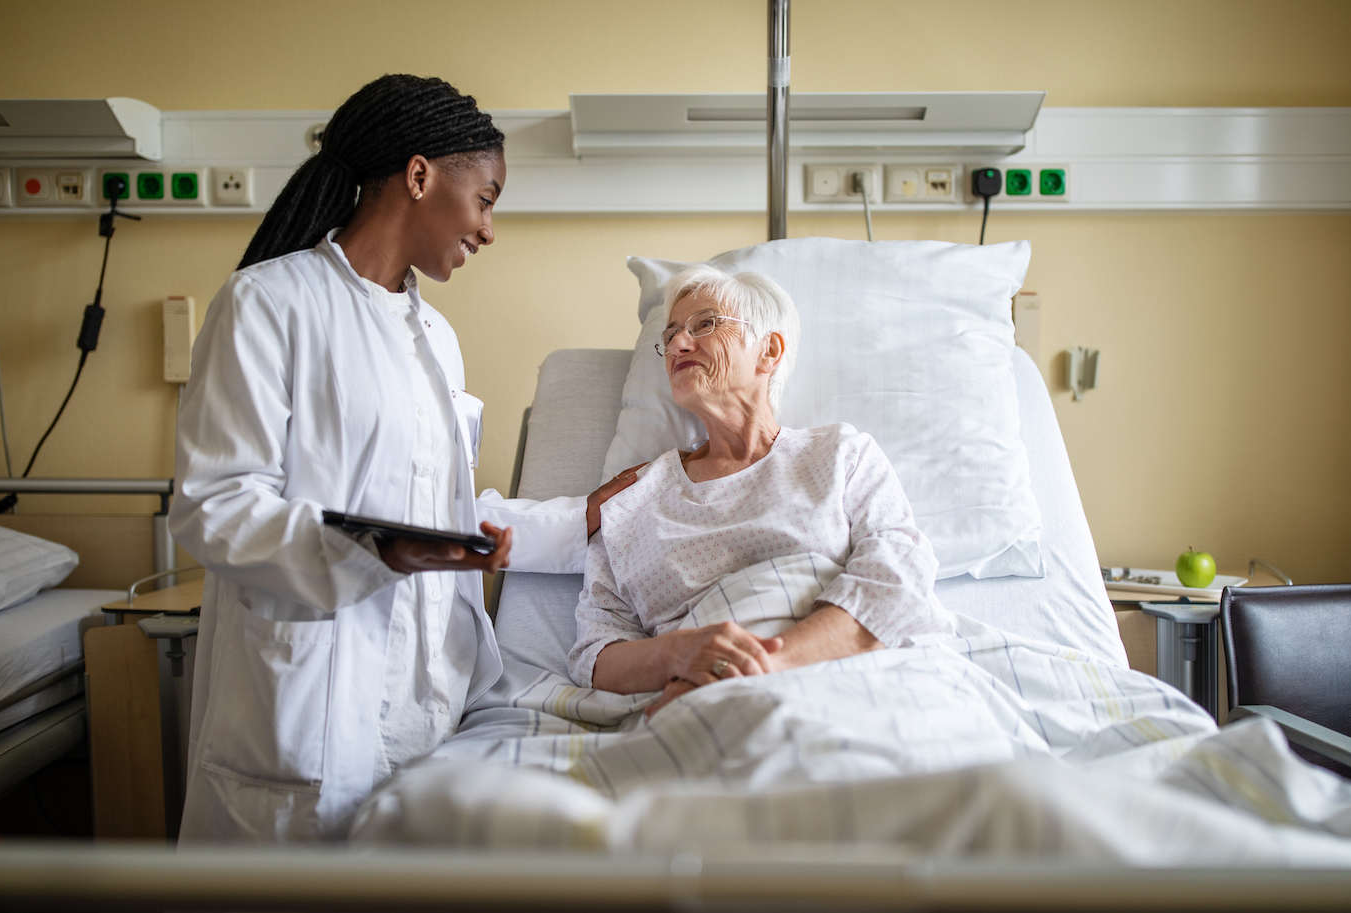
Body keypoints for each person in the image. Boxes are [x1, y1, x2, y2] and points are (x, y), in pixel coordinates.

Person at [172, 75, 633, 842]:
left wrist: (576, 518)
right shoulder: (267, 304)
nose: (489, 229)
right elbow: (215, 502)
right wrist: (373, 549)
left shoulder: (438, 340)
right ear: (419, 176)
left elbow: (432, 503)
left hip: (426, 708)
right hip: (308, 706)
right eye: (485, 199)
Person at [568, 265, 955, 717]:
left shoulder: (839, 456)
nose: (676, 343)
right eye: (670, 334)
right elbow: (594, 652)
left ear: (768, 350)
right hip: (697, 708)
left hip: (845, 684)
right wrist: (678, 656)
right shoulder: (633, 500)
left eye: (704, 324)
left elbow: (899, 577)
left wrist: (755, 669)